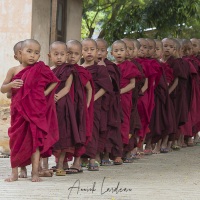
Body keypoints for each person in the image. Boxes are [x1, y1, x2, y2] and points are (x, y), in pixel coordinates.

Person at [1, 39, 59, 182]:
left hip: (36, 111)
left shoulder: (41, 69)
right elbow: (3, 89)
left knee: (35, 141)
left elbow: (54, 82)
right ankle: (14, 173)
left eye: (36, 53)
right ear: (20, 54)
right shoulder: (14, 70)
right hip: (19, 112)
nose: (33, 55)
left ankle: (35, 173)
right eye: (29, 52)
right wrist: (12, 84)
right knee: (16, 141)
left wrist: (45, 93)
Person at [49, 41, 86, 176]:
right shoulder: (49, 70)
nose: (60, 57)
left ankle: (62, 163)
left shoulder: (70, 70)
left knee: (65, 133)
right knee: (53, 131)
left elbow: (67, 87)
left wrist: (57, 96)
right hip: (51, 105)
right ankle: (52, 163)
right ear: (50, 56)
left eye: (62, 54)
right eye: (56, 54)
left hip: (66, 105)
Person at [81, 38, 113, 171]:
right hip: (81, 105)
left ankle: (93, 158)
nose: (89, 52)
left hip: (95, 104)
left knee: (93, 130)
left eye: (92, 49)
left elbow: (106, 87)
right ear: (81, 52)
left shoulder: (100, 69)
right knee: (81, 130)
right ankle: (82, 158)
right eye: (86, 50)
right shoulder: (78, 69)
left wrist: (92, 99)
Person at [65, 39, 94, 174]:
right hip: (65, 109)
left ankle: (77, 162)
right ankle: (63, 162)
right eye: (69, 53)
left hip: (79, 109)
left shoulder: (82, 71)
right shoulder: (60, 70)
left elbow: (89, 89)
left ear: (80, 55)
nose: (72, 57)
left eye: (76, 54)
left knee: (79, 133)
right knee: (65, 133)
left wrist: (87, 104)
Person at [111, 40, 141, 162]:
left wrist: (120, 92)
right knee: (113, 122)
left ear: (126, 52)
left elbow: (132, 84)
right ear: (111, 53)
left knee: (124, 123)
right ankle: (112, 151)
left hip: (124, 98)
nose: (119, 53)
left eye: (121, 50)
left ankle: (121, 151)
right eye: (116, 51)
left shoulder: (129, 66)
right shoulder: (111, 66)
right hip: (112, 98)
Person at [96, 38, 123, 165]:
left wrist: (104, 69)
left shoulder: (111, 67)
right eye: (97, 50)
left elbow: (113, 85)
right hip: (96, 103)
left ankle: (106, 154)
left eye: (102, 51)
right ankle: (94, 154)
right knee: (96, 128)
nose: (99, 53)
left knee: (108, 128)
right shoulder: (88, 66)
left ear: (107, 53)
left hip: (109, 102)